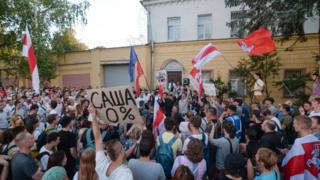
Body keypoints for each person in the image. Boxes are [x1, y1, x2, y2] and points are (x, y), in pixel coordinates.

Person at [90, 106, 133, 180]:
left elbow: (98, 139)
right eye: (122, 147)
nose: (123, 148)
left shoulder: (101, 162)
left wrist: (94, 117)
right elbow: (98, 139)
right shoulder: (125, 174)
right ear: (121, 153)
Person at [281, 115, 320, 180]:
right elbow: (313, 155)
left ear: (301, 126)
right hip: (314, 174)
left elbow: (291, 163)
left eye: (294, 123)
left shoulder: (299, 142)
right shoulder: (317, 141)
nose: (293, 125)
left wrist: (289, 154)